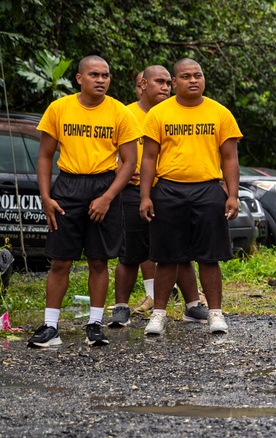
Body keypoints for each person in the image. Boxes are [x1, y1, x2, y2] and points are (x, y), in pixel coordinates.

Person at [27, 56, 141, 348]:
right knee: (60, 261)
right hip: (68, 185)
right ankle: (50, 327)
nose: (101, 80)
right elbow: (44, 156)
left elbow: (129, 162)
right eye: (94, 74)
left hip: (105, 184)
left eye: (105, 75)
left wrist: (107, 197)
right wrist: (46, 197)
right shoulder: (60, 108)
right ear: (79, 78)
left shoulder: (119, 112)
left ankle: (95, 325)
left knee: (98, 260)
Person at [140, 58, 243, 336]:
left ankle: (215, 314)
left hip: (208, 190)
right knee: (167, 257)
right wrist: (145, 196)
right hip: (169, 189)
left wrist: (232, 194)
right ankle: (158, 315)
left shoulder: (220, 113)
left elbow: (230, 157)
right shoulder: (159, 113)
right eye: (186, 76)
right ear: (174, 82)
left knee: (210, 257)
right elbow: (148, 158)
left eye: (198, 75)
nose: (193, 80)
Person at [110, 67, 207, 328]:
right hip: (134, 191)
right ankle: (121, 308)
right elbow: (107, 149)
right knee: (131, 251)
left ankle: (193, 305)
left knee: (180, 251)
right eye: (159, 82)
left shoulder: (175, 112)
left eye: (167, 82)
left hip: (168, 190)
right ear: (142, 84)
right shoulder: (126, 113)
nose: (165, 87)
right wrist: (120, 170)